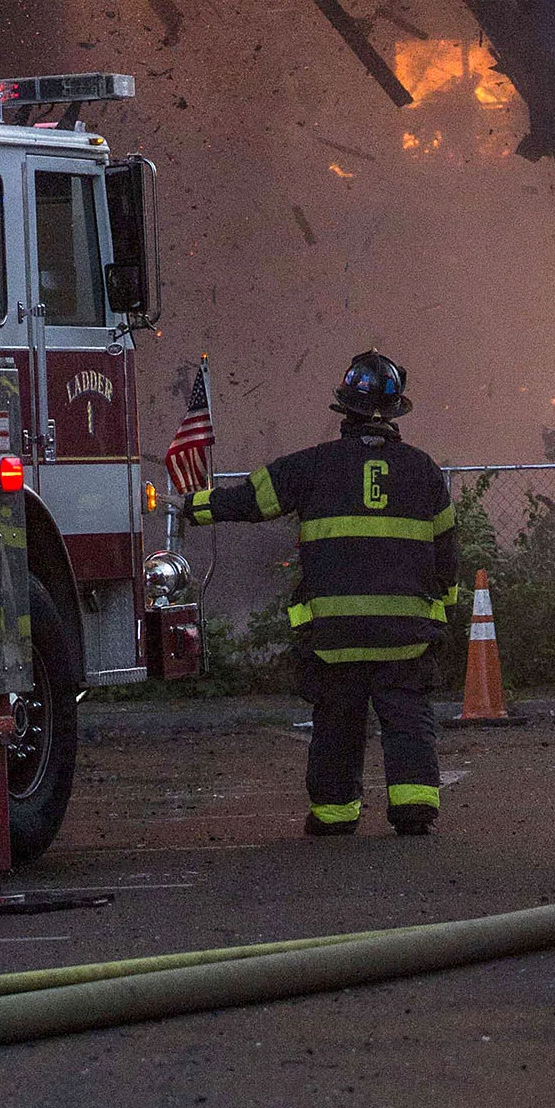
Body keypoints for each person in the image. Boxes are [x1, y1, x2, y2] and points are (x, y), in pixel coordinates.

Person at [181, 348, 459, 837]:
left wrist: (192, 506)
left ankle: (335, 815)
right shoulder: (425, 471)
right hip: (405, 634)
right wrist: (442, 614)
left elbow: (249, 500)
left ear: (344, 410)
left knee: (336, 720)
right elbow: (446, 554)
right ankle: (415, 810)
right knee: (407, 717)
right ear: (395, 415)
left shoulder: (312, 466)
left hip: (335, 633)